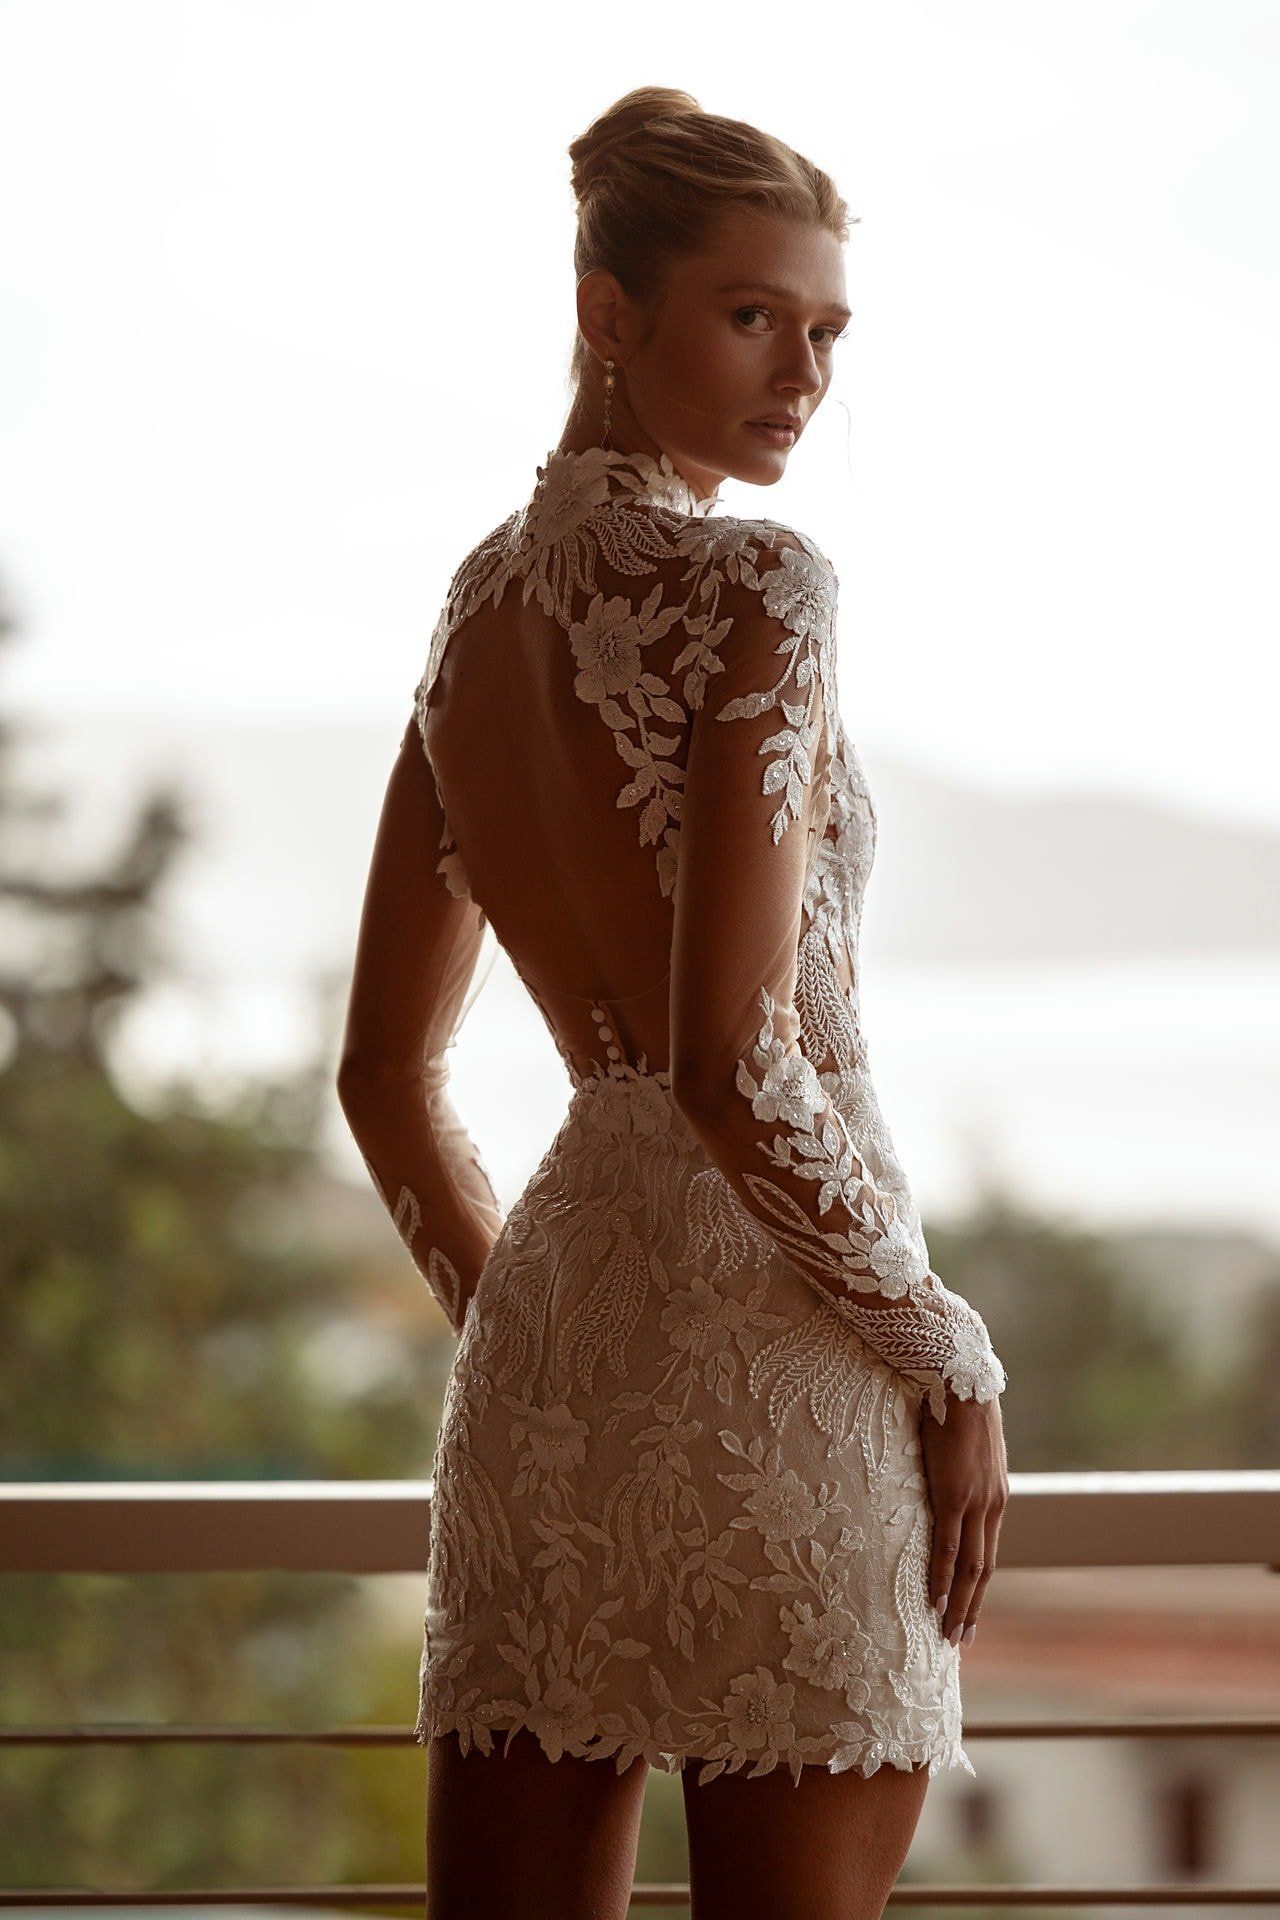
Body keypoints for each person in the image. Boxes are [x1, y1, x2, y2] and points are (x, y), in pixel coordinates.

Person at [336, 84, 1009, 1920]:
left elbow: (386, 1079)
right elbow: (728, 1061)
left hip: (548, 1370)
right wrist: (943, 1344)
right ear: (605, 310)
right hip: (793, 1366)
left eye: (824, 333)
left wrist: (537, 1331)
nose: (801, 372)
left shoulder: (467, 627)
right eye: (750, 315)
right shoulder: (759, 587)